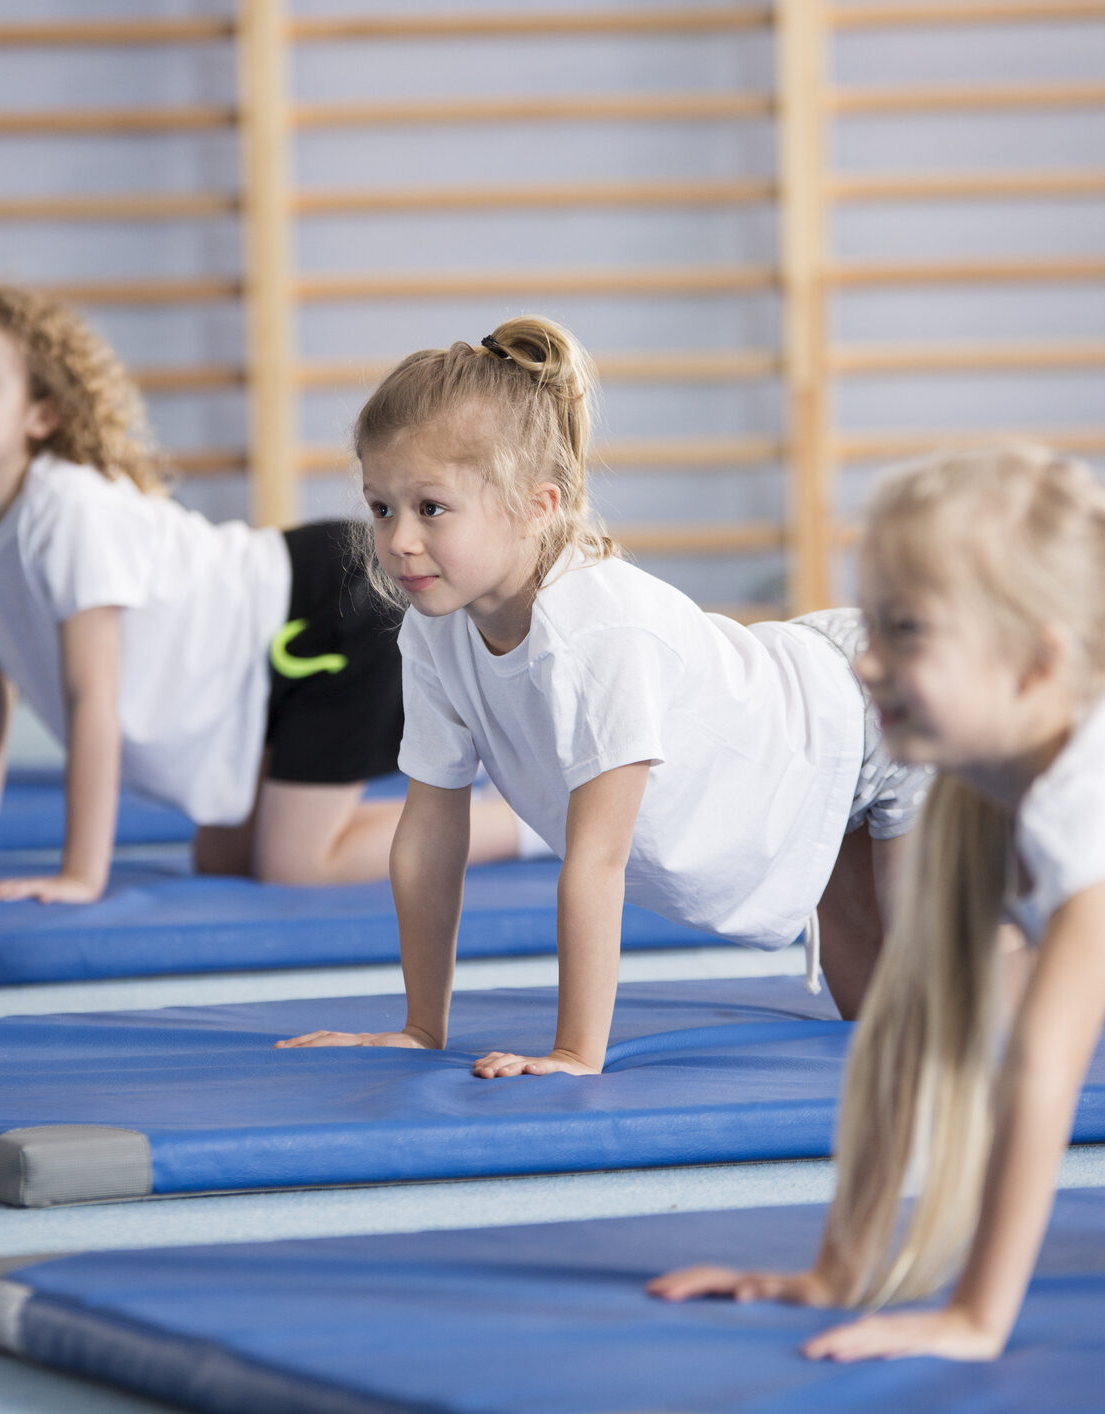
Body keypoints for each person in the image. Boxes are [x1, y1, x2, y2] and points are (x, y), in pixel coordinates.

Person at [279, 315, 929, 1075]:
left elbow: (597, 859)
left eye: (431, 507)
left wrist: (575, 1052)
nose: (398, 542)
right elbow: (429, 836)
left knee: (947, 1010)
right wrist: (422, 1028)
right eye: (381, 507)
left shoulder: (595, 633)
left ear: (538, 505)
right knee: (880, 1029)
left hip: (874, 710)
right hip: (807, 758)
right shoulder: (433, 631)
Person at [0, 283, 515, 904]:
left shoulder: (67, 509)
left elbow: (91, 701)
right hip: (255, 672)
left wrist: (81, 873)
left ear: (41, 413)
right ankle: (466, 804)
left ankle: (519, 825)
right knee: (225, 860)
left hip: (325, 613)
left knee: (295, 864)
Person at [650, 444, 1105, 1362]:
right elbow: (912, 1032)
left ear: (1033, 664)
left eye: (907, 631)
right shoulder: (976, 791)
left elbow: (1045, 1073)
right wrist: (839, 1272)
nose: (864, 664)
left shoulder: (1080, 800)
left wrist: (976, 1318)